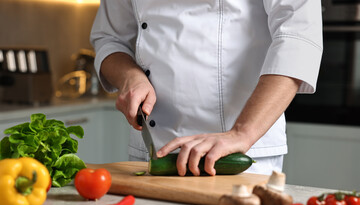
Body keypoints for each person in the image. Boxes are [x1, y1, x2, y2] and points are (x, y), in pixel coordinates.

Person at [90, 0, 323, 176]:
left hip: (237, 153)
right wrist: (130, 76)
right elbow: (109, 38)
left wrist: (242, 133)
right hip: (153, 151)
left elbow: (297, 37)